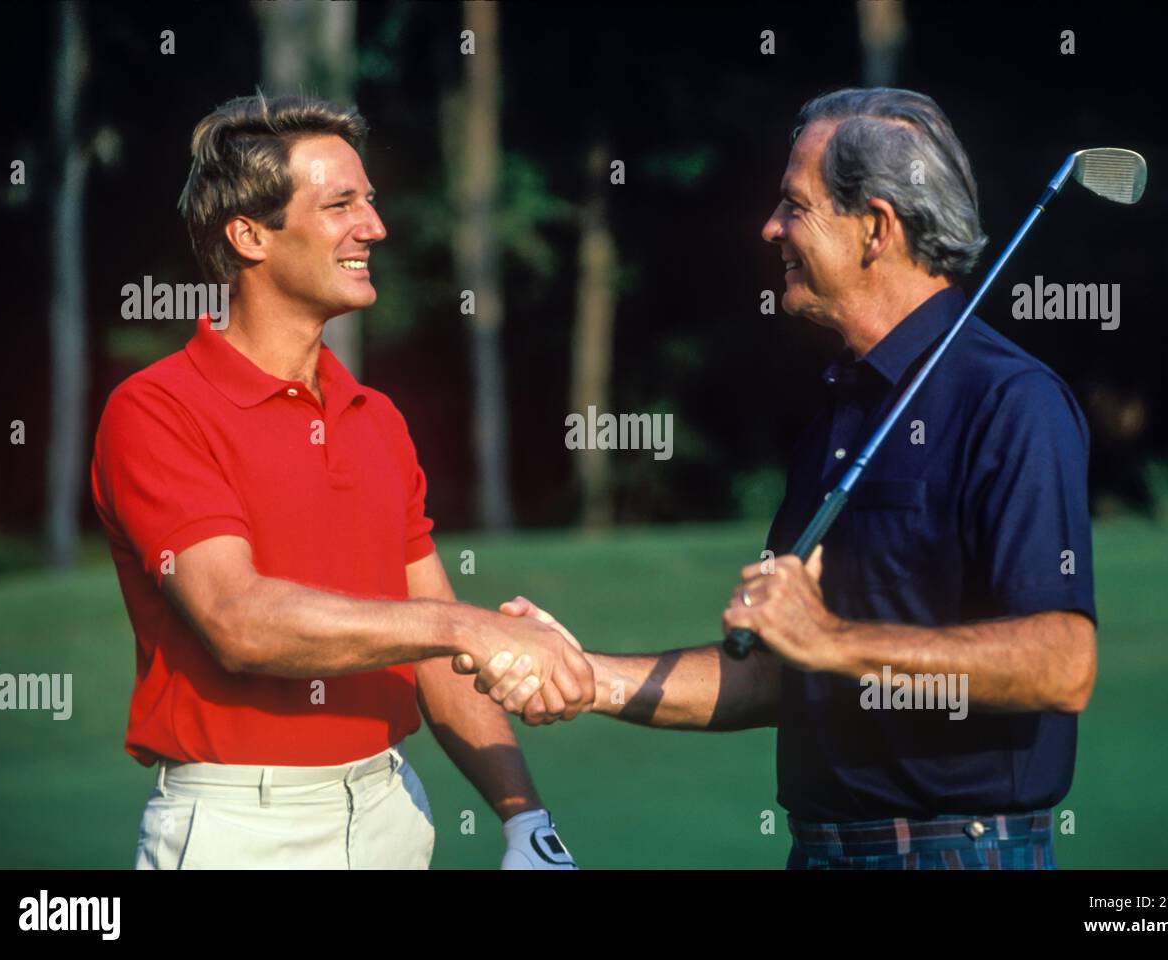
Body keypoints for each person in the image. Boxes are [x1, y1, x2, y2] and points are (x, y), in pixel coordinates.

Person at [468, 87, 1098, 870]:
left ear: (875, 228)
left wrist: (831, 641)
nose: (772, 229)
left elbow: (1062, 663)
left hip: (953, 852)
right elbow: (774, 673)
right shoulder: (842, 409)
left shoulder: (1012, 402)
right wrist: (587, 675)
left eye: (794, 207)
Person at [90, 92, 593, 870]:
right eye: (340, 205)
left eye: (371, 201)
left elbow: (429, 629)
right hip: (240, 830)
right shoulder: (155, 410)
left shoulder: (375, 417)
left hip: (392, 809)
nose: (375, 227)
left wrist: (525, 819)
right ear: (250, 236)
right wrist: (469, 628)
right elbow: (239, 620)